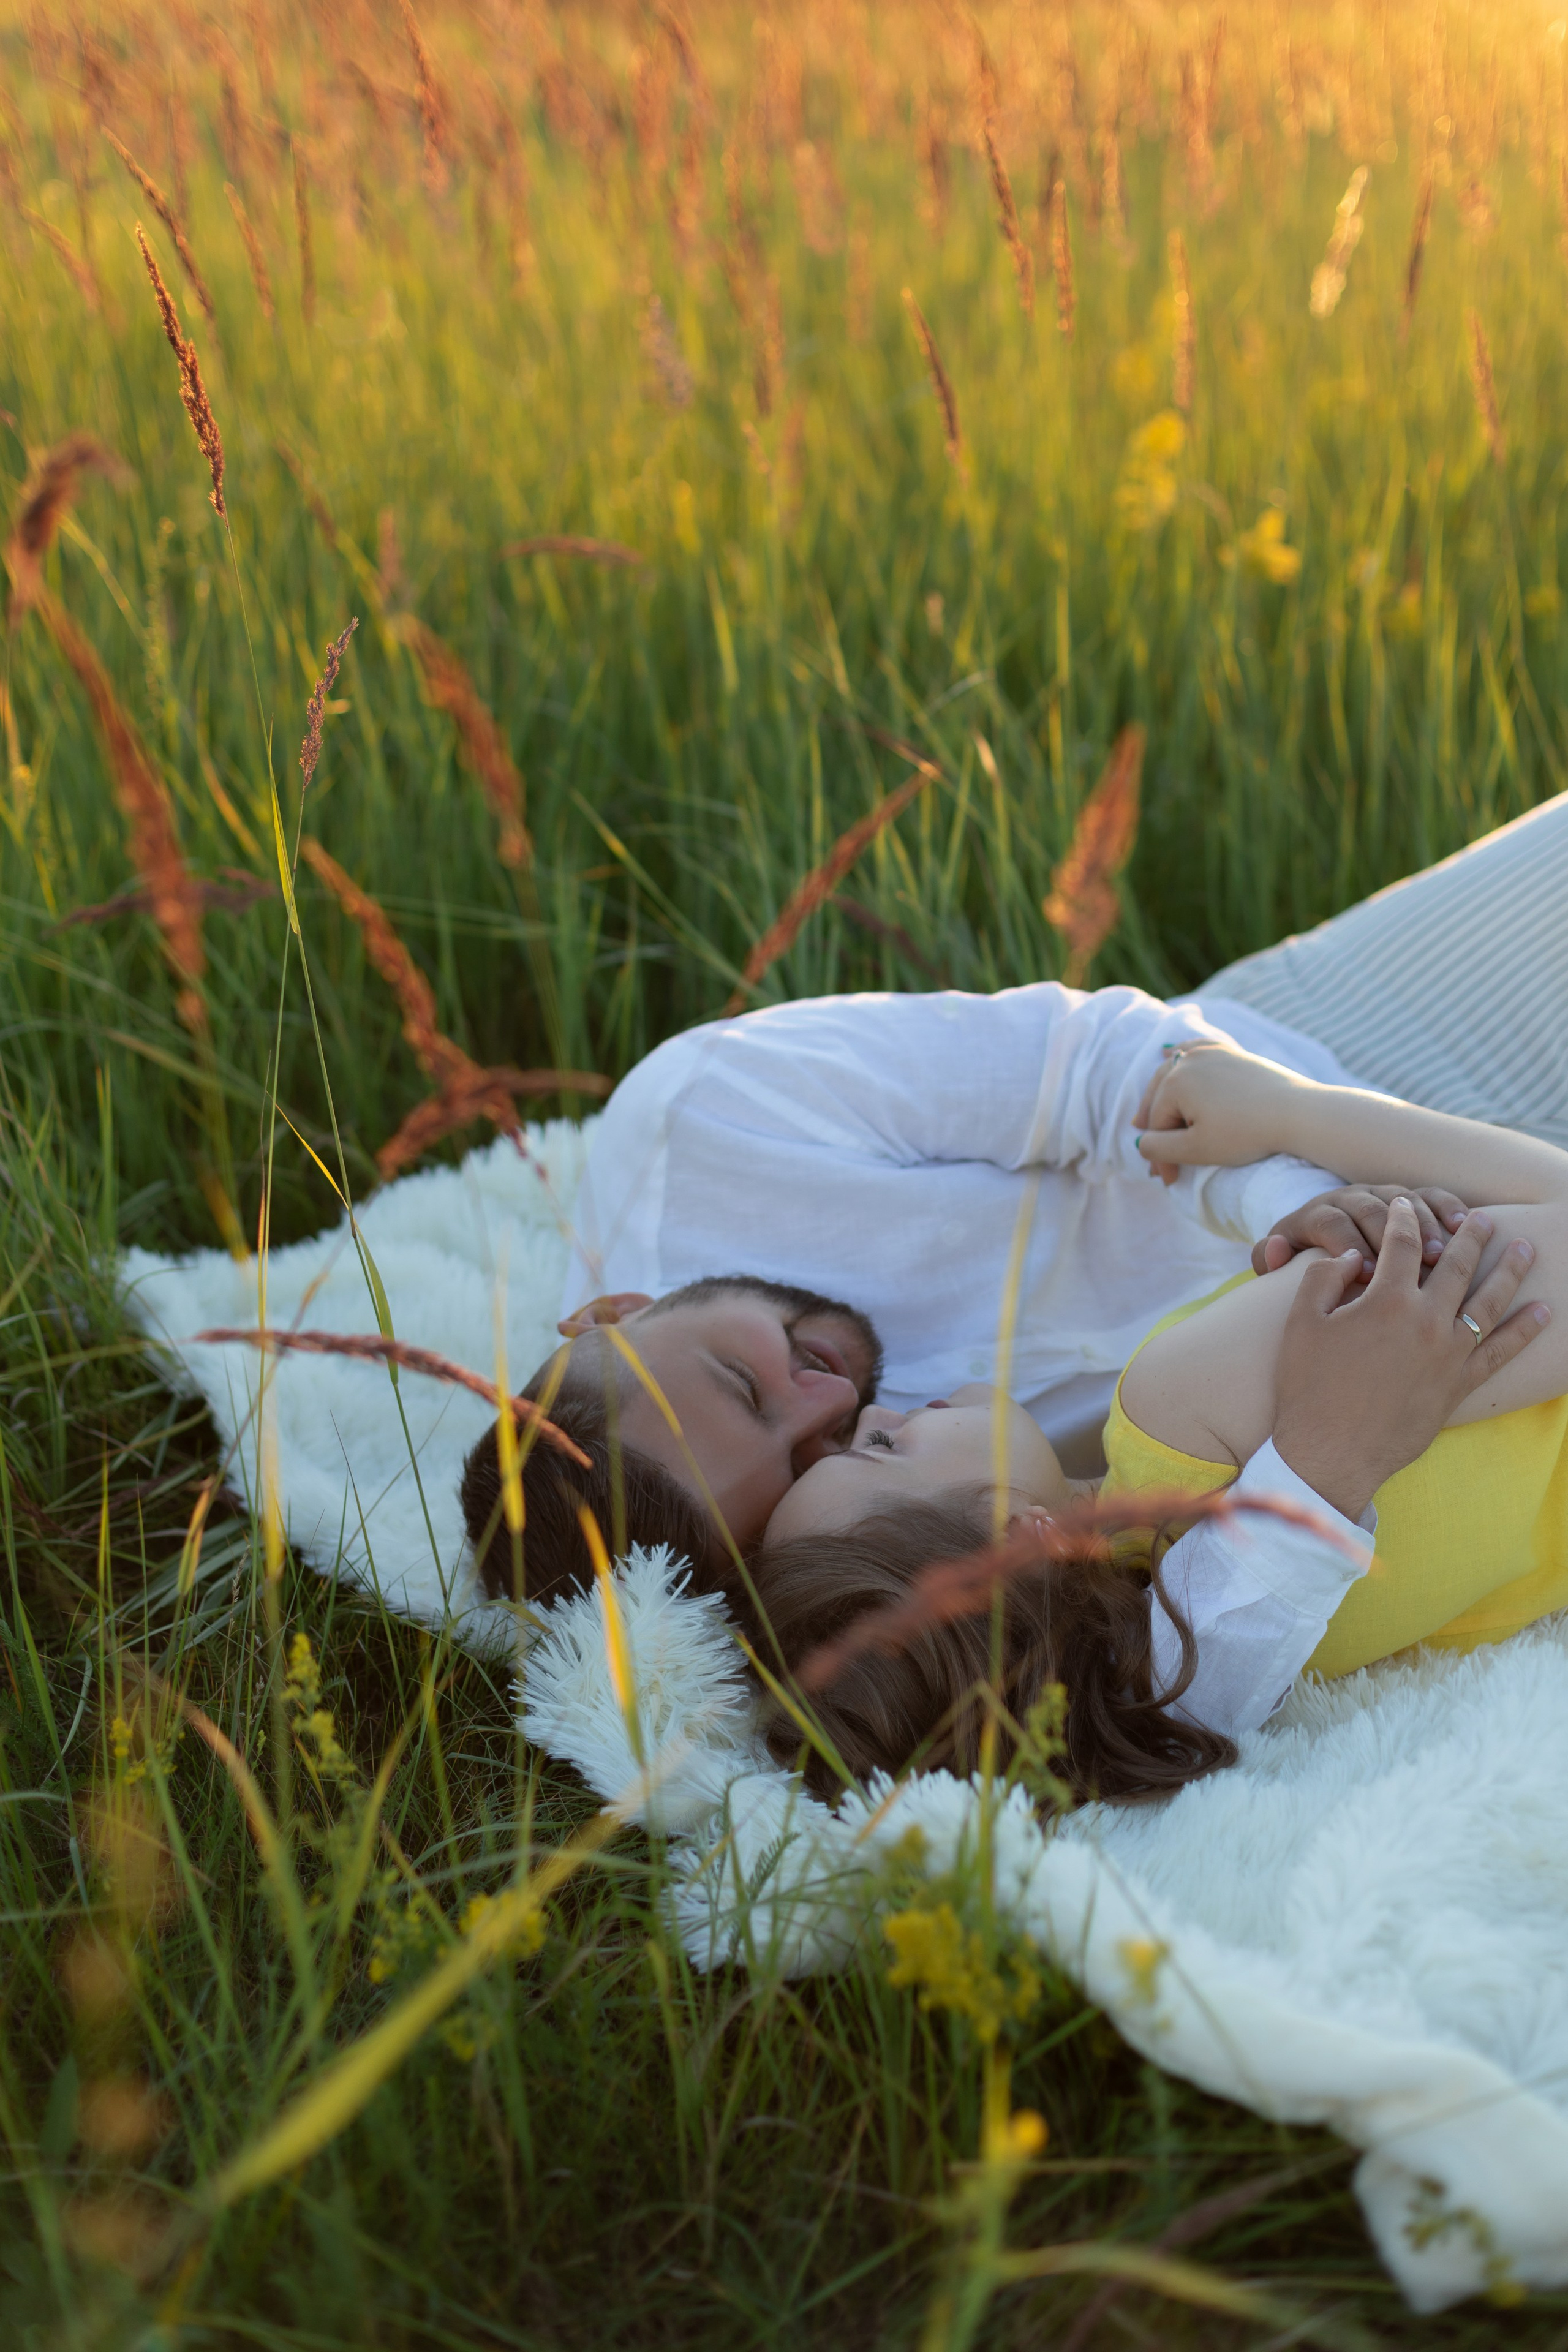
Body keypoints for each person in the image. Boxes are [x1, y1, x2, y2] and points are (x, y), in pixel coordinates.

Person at [742, 1041, 1563, 1798]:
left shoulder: (1240, 1663)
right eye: (880, 1448)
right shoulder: (1177, 1417)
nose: (876, 1406)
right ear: (1020, 1535)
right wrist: (1295, 1112)